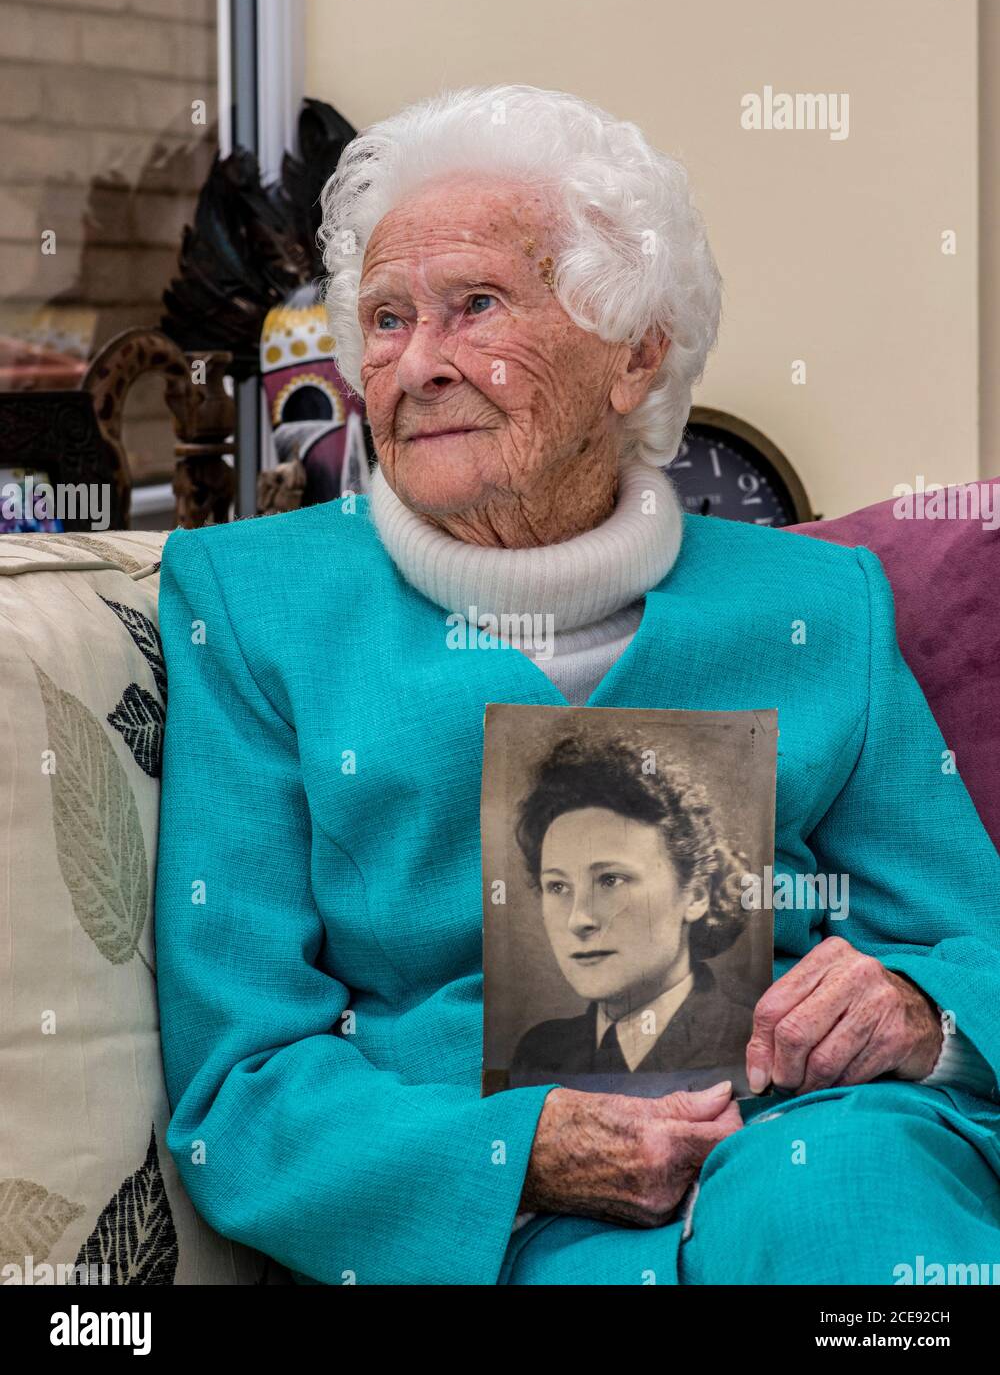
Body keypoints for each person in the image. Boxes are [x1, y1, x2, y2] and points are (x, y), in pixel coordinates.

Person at [154, 84, 1000, 1285]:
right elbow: (238, 1074)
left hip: (817, 1141)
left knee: (856, 1222)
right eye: (386, 319)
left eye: (476, 306)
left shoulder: (817, 608)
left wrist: (916, 1008)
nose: (418, 364)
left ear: (635, 354)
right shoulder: (254, 608)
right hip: (476, 1201)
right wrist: (519, 1152)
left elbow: (977, 938)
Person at [510, 734, 754, 1082]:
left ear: (697, 894)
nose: (579, 919)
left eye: (610, 880)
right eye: (558, 886)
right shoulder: (538, 1053)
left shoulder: (747, 1043)